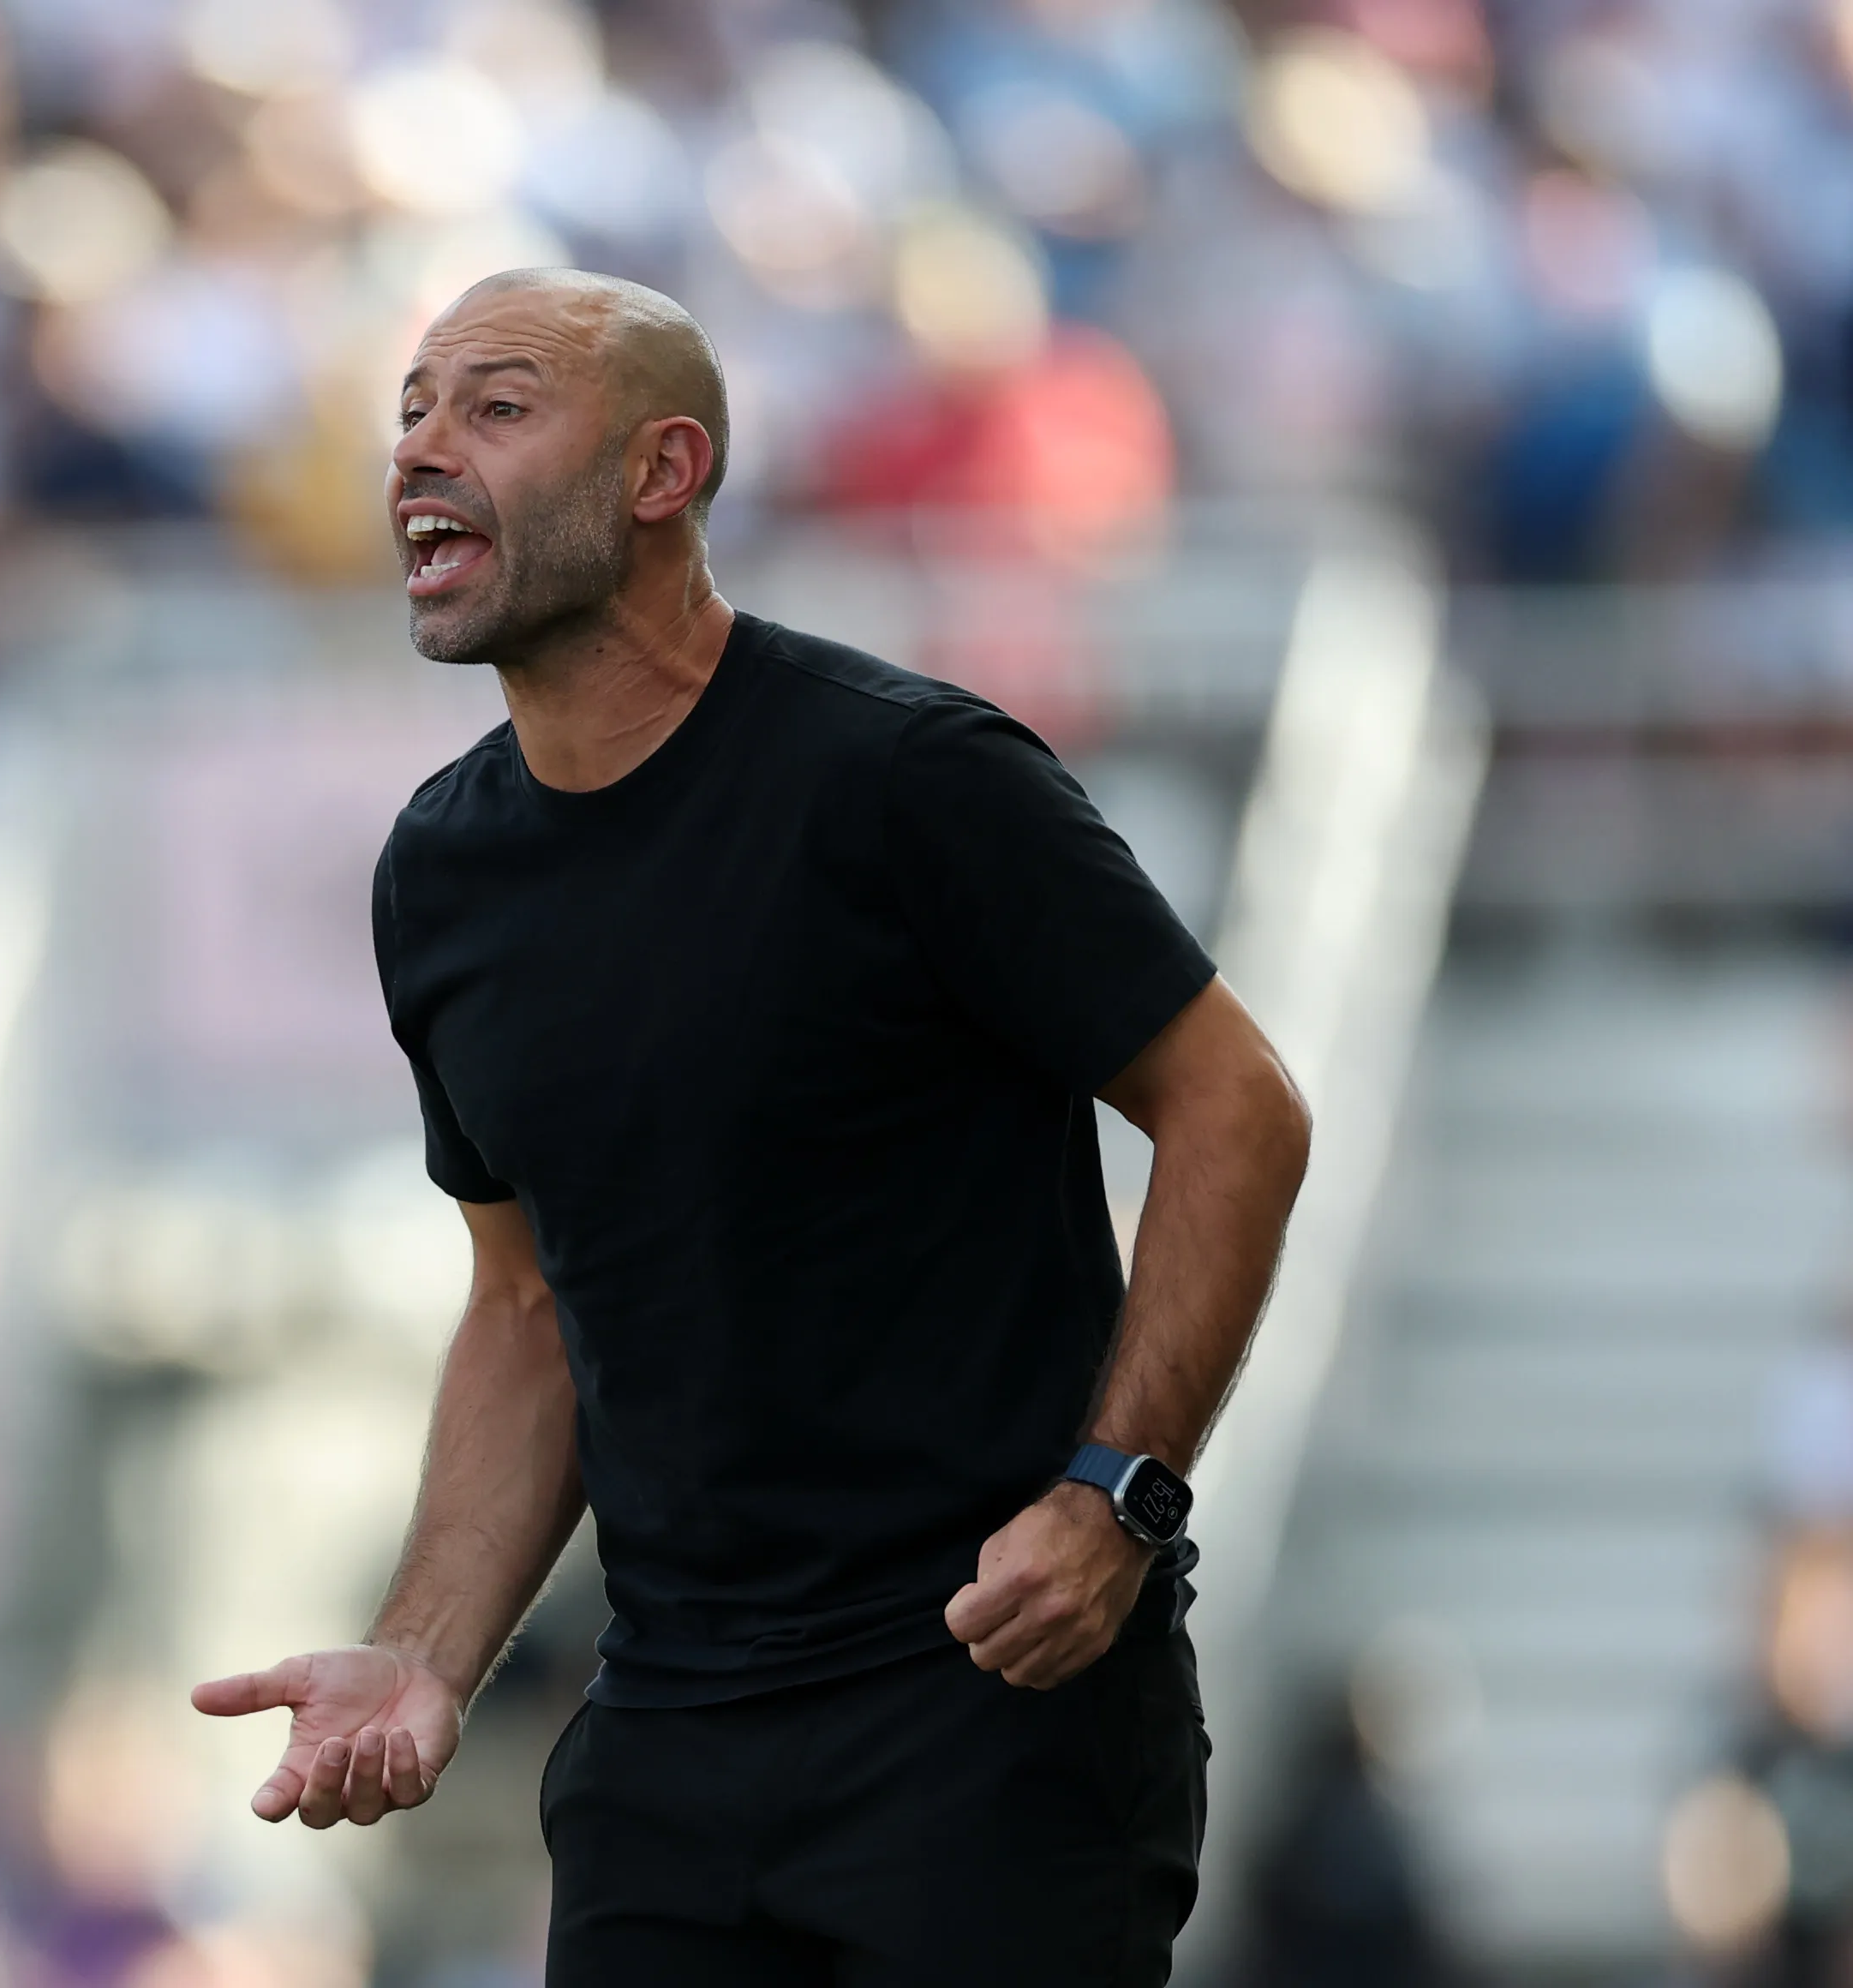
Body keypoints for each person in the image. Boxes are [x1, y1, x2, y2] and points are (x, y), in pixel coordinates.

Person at [191, 268, 1313, 1985]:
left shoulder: (907, 778)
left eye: (494, 406)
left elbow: (1237, 1104)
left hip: (984, 1701)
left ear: (663, 471)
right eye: (411, 407)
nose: (422, 449)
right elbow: (524, 1299)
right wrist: (425, 1651)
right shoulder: (441, 871)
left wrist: (1117, 1496)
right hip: (666, 1723)